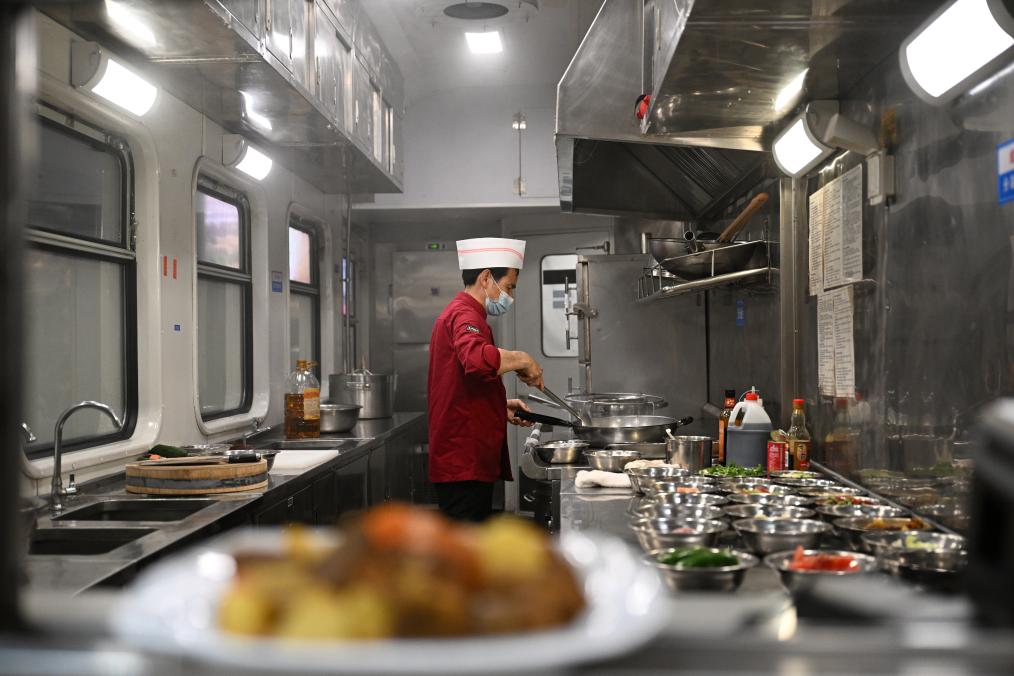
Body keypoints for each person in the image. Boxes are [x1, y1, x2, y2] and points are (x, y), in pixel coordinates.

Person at [427, 237, 545, 522]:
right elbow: (476, 359)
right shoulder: (464, 314)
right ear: (485, 278)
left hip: (467, 456)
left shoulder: (469, 315)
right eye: (509, 287)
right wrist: (523, 359)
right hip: (462, 459)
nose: (510, 297)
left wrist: (498, 406)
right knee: (463, 544)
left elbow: (463, 384)